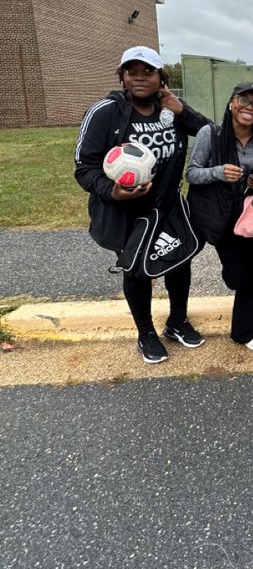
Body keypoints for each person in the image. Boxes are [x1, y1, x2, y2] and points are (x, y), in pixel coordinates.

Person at [74, 45, 209, 364]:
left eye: (147, 71)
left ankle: (177, 322)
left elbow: (209, 134)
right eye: (131, 71)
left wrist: (182, 111)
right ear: (121, 76)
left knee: (179, 260)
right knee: (137, 271)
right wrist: (112, 191)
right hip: (127, 211)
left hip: (169, 204)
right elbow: (84, 166)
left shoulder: (170, 108)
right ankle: (145, 332)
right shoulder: (105, 112)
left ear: (162, 76)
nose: (139, 77)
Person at [186, 82, 253, 351]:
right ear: (231, 103)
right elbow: (191, 173)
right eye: (244, 100)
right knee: (238, 276)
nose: (249, 107)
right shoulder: (210, 134)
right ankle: (236, 284)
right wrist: (218, 172)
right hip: (223, 218)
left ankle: (243, 331)